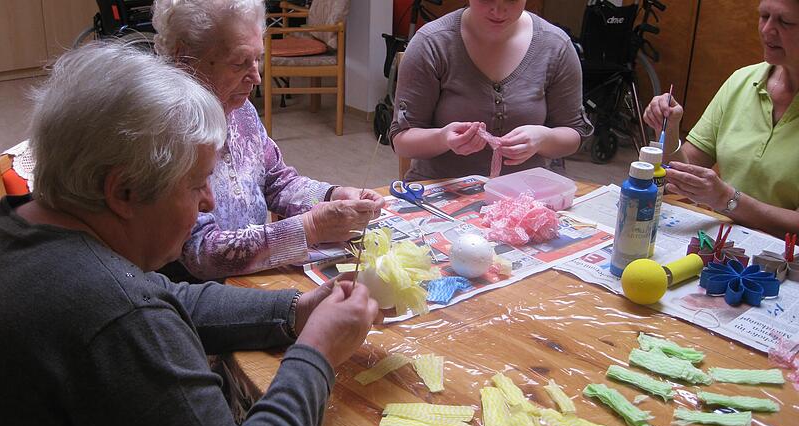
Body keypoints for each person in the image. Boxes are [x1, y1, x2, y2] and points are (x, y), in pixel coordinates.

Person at [0, 42, 380, 426]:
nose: (209, 202)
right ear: (124, 191)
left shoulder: (22, 227)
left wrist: (295, 310)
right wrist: (317, 351)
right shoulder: (119, 319)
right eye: (197, 184)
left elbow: (167, 295)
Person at [150, 0, 385, 281]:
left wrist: (332, 195)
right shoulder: (163, 131)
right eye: (239, 63)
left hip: (252, 279)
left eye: (257, 59)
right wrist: (310, 227)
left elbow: (277, 181)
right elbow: (200, 253)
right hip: (201, 297)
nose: (257, 77)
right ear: (185, 57)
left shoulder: (240, 110)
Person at [389, 0, 593, 181]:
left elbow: (574, 134)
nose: (498, 10)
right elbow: (401, 141)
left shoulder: (555, 46)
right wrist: (443, 138)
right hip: (441, 191)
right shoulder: (432, 43)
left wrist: (543, 139)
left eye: (512, 0)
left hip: (522, 194)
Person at [643, 0, 799, 237]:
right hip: (723, 237)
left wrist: (727, 199)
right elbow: (685, 172)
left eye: (784, 21)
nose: (767, 29)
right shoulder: (742, 81)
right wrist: (669, 128)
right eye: (764, 16)